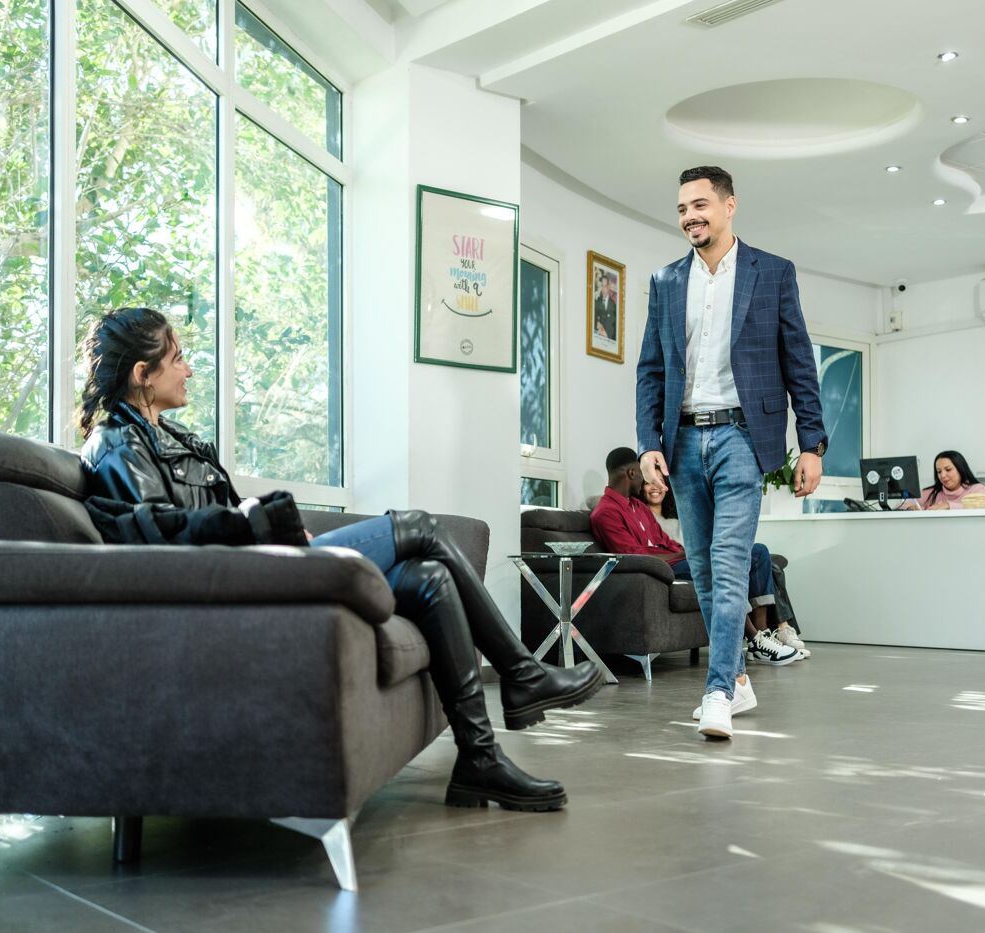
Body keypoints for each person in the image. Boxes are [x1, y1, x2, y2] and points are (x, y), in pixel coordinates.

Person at [77, 307, 604, 812]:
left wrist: (259, 521)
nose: (189, 369)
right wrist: (257, 523)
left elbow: (207, 516)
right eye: (177, 359)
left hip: (265, 564)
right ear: (143, 374)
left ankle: (480, 759)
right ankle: (523, 674)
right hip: (253, 578)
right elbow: (155, 536)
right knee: (419, 526)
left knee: (429, 577)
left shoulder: (172, 437)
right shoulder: (117, 443)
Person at [636, 166, 827, 740]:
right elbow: (651, 369)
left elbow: (798, 361)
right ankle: (738, 681)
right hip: (684, 439)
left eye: (699, 204)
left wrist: (811, 443)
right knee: (702, 571)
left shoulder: (772, 273)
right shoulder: (666, 280)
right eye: (681, 208)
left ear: (729, 206)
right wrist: (648, 443)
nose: (690, 215)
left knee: (726, 561)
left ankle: (717, 691)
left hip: (745, 437)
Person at [591, 447, 798, 673]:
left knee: (757, 552)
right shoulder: (605, 512)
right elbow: (633, 556)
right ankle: (754, 638)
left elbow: (665, 541)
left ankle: (760, 639)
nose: (645, 479)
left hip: (675, 561)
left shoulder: (638, 507)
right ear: (632, 472)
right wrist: (687, 555)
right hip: (661, 571)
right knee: (718, 567)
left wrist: (689, 551)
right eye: (642, 472)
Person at [642, 476, 810, 664]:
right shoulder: (643, 516)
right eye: (648, 482)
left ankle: (764, 635)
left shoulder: (682, 513)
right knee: (745, 565)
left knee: (761, 554)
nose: (654, 487)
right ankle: (766, 636)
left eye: (658, 482)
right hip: (683, 562)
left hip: (696, 555)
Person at [901, 450, 985, 511]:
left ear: (960, 469)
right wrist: (911, 508)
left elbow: (983, 506)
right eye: (939, 471)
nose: (942, 475)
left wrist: (948, 506)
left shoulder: (977, 489)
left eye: (948, 470)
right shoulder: (931, 493)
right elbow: (901, 504)